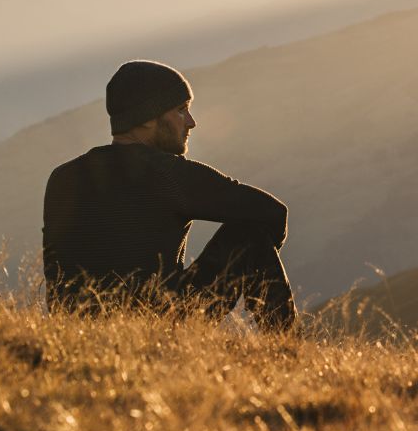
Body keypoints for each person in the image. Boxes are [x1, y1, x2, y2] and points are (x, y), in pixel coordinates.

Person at [42, 60, 296, 328]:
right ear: (148, 118)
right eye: (181, 110)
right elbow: (272, 212)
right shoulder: (167, 174)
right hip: (160, 328)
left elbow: (56, 280)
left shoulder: (62, 178)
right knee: (250, 236)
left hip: (76, 332)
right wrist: (261, 256)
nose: (191, 122)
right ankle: (286, 349)